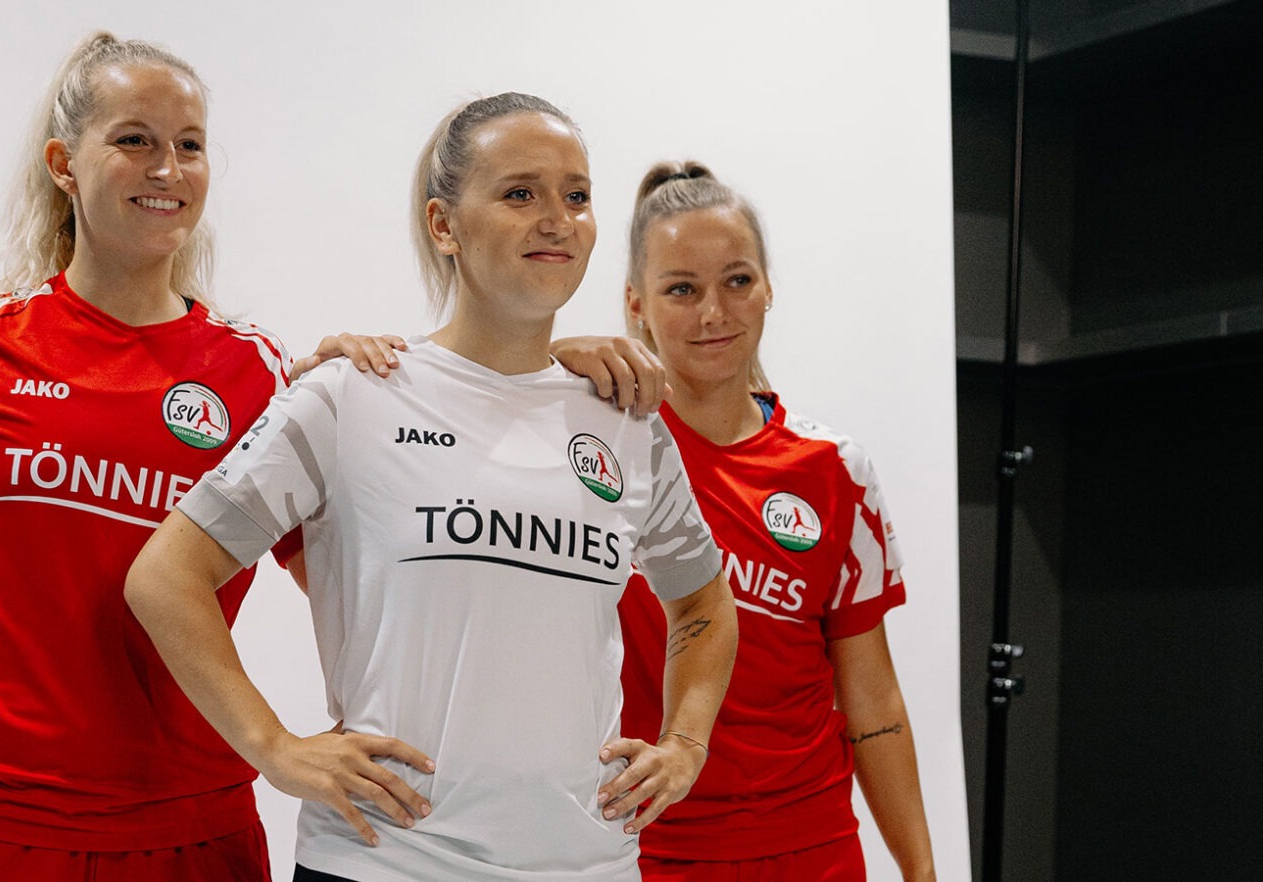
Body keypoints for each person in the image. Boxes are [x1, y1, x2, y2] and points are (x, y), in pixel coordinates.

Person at [0, 32, 417, 882]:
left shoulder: (258, 375)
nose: (167, 167)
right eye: (135, 139)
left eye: (190, 145)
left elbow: (359, 583)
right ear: (65, 163)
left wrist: (497, 380)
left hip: (194, 834)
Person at [124, 93, 739, 882]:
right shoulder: (353, 393)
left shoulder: (625, 419)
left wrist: (685, 745)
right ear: (444, 225)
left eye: (576, 196)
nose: (556, 218)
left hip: (591, 865)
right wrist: (274, 748)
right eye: (520, 193)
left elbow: (703, 606)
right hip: (385, 862)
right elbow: (166, 576)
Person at [606, 161, 936, 881]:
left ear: (768, 288)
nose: (714, 313)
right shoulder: (599, 457)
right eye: (681, 290)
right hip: (645, 850)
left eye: (737, 280)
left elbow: (872, 700)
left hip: (813, 851)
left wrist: (921, 872)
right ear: (636, 304)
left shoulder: (834, 468)